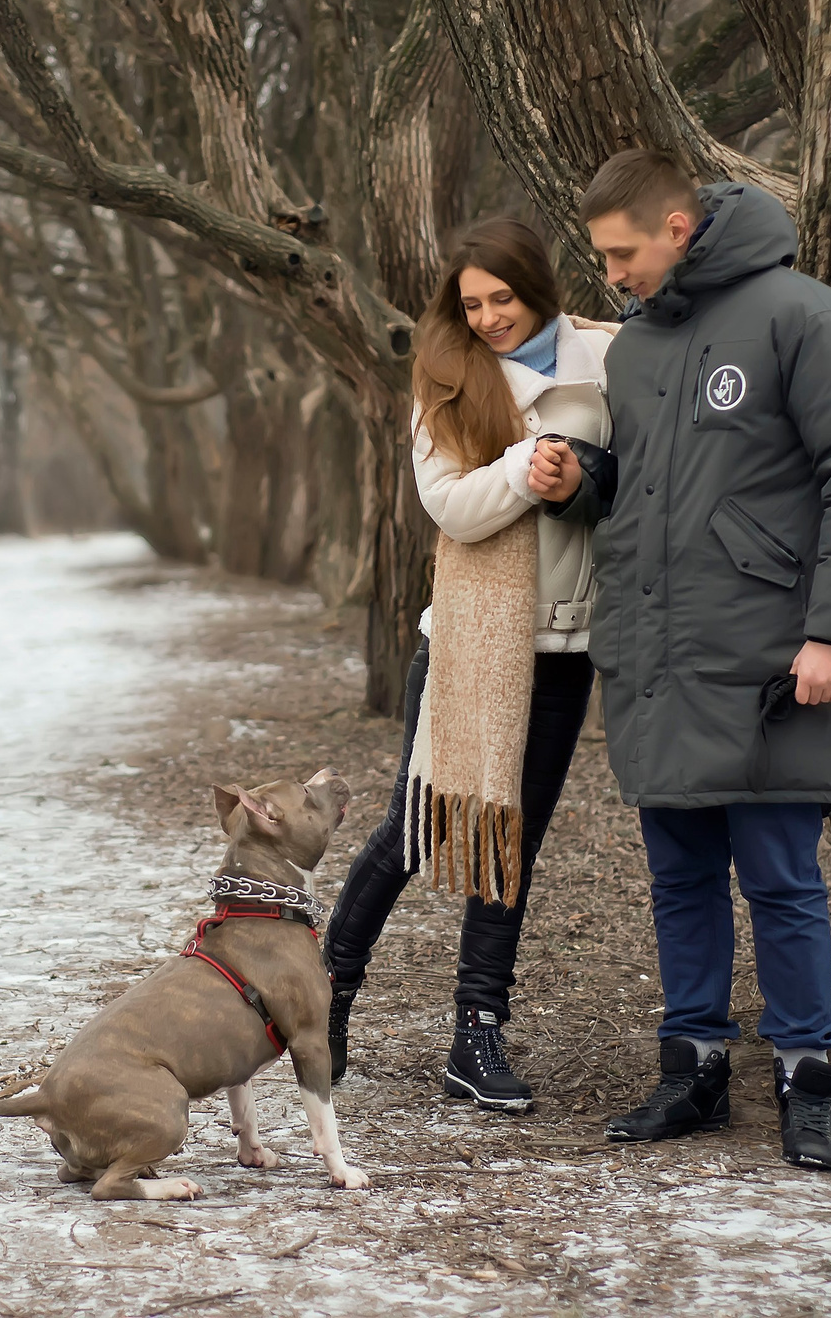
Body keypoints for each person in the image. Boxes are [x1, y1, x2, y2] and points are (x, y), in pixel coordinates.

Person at [538, 148, 831, 1171]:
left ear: (678, 228)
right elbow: (657, 488)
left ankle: (803, 1077)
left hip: (771, 654)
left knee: (781, 875)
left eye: (622, 252)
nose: (611, 274)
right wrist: (587, 479)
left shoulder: (804, 315)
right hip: (659, 651)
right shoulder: (640, 348)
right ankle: (691, 1070)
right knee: (678, 873)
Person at [323, 217, 615, 1112]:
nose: (487, 316)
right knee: (418, 829)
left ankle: (476, 1032)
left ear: (539, 286)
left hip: (565, 641)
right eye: (472, 301)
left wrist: (586, 477)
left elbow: (643, 475)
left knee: (508, 841)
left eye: (503, 298)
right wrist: (530, 467)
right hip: (463, 643)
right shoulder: (447, 376)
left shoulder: (610, 358)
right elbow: (449, 506)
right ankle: (325, 995)